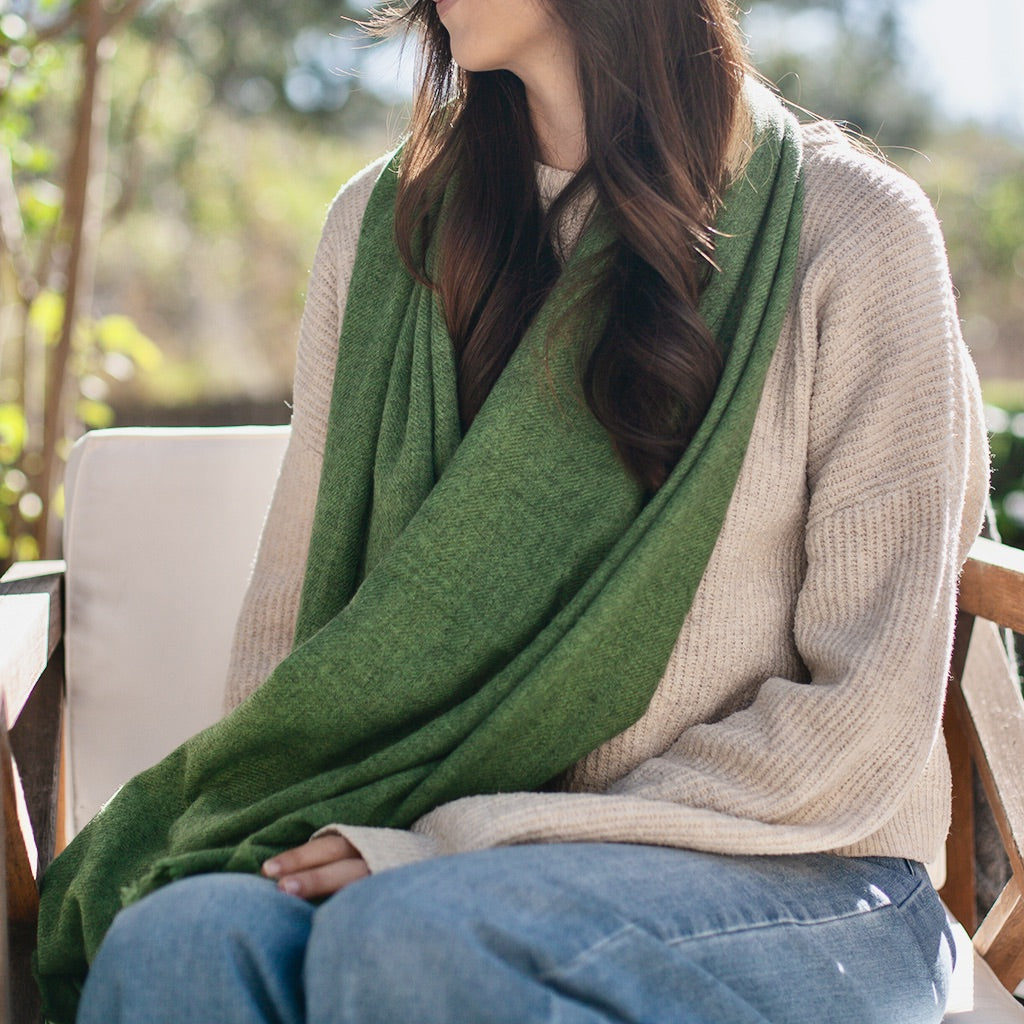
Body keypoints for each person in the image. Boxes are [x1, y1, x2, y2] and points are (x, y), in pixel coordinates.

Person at [36, 0, 989, 1021]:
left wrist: (470, 839)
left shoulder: (852, 232)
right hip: (435, 855)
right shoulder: (383, 229)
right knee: (177, 940)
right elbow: (293, 647)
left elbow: (863, 717)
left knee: (416, 932)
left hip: (803, 875)